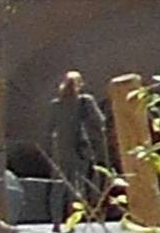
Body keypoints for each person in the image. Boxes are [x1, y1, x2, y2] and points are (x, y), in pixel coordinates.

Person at [46, 69, 116, 222]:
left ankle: (56, 221)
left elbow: (49, 129)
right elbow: (100, 122)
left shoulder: (55, 105)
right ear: (80, 85)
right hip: (79, 149)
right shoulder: (86, 101)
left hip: (60, 150)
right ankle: (73, 217)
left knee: (58, 187)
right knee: (77, 185)